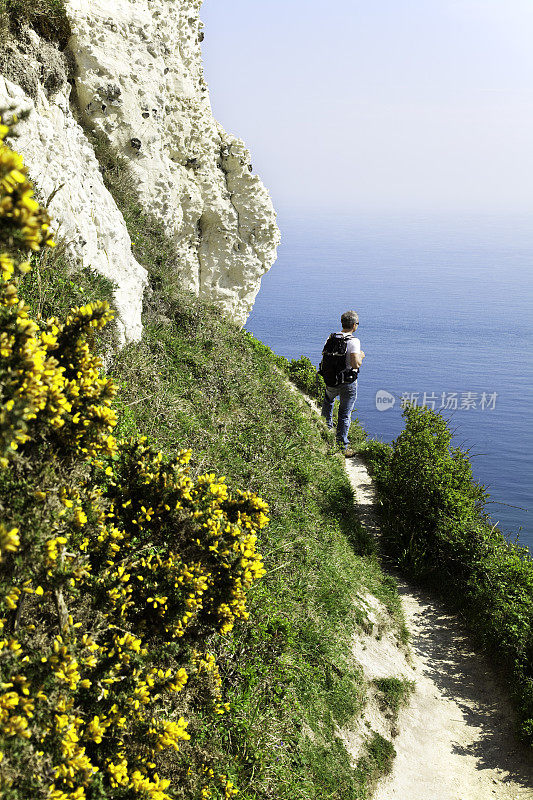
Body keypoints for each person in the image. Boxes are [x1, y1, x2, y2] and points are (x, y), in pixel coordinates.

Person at [320, 310, 365, 457]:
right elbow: (355, 364)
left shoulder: (331, 337)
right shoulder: (354, 341)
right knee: (345, 414)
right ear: (354, 325)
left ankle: (325, 432)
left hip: (331, 379)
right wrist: (361, 356)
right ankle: (342, 446)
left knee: (328, 402)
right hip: (347, 383)